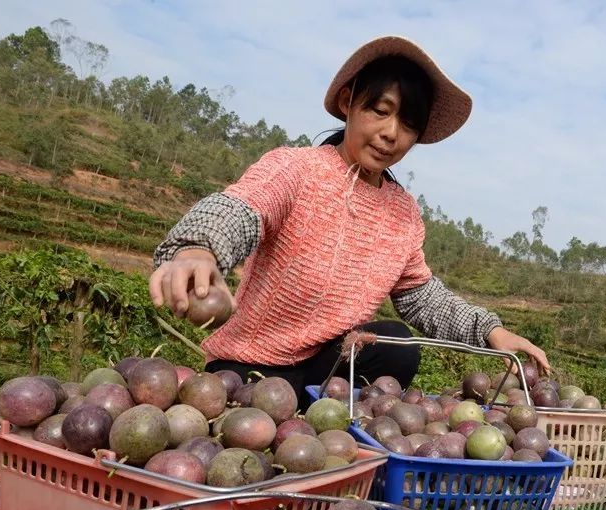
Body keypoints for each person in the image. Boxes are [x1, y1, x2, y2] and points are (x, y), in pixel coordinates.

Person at [149, 36, 549, 409]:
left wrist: (493, 334)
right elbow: (242, 209)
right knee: (235, 414)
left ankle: (326, 426)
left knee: (397, 344)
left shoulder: (403, 213)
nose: (390, 133)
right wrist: (197, 249)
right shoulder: (297, 169)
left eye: (408, 124)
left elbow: (423, 298)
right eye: (380, 111)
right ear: (348, 102)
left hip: (330, 376)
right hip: (251, 367)